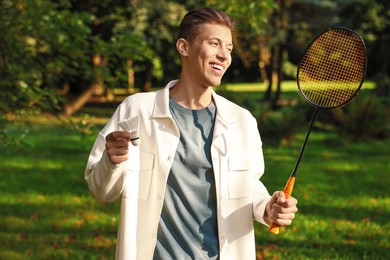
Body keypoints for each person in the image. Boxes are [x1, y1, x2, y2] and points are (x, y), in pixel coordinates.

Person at [85, 7, 298, 260]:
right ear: (184, 47)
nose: (224, 55)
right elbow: (101, 190)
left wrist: (268, 208)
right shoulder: (136, 110)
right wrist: (112, 161)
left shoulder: (241, 121)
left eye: (228, 48)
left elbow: (248, 187)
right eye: (214, 43)